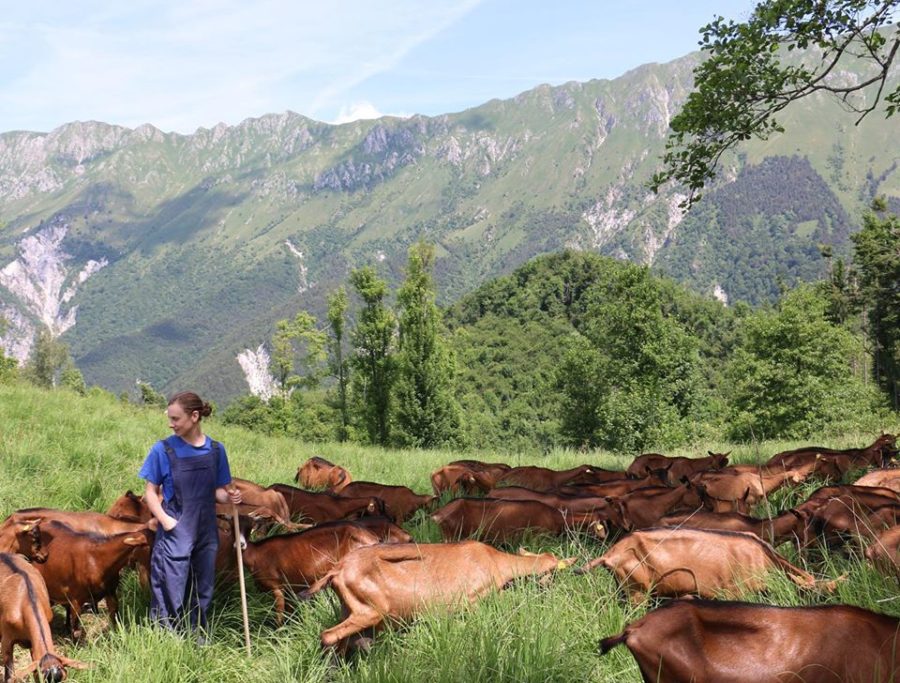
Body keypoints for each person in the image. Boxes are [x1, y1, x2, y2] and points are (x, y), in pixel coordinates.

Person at [139, 391, 241, 635]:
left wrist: (231, 498)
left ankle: (197, 635)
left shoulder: (216, 450)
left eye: (176, 419)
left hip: (206, 528)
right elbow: (150, 493)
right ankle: (166, 638)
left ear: (195, 416)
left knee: (203, 585)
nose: (170, 424)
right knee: (170, 585)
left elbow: (216, 492)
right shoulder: (162, 450)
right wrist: (166, 521)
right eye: (170, 418)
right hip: (176, 526)